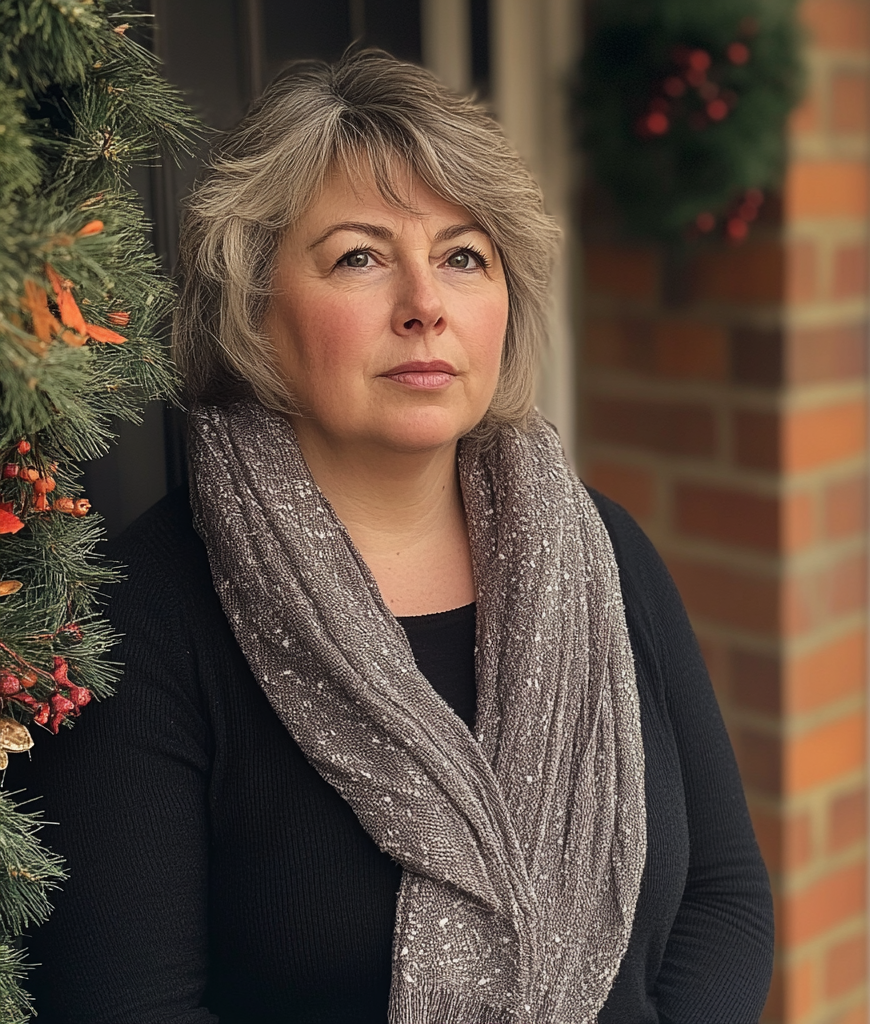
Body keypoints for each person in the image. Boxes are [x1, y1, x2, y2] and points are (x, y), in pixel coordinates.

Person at [14, 50, 773, 1023]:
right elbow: (130, 1002)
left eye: (463, 255)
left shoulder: (603, 552)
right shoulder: (146, 617)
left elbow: (725, 893)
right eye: (360, 257)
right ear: (254, 307)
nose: (427, 304)